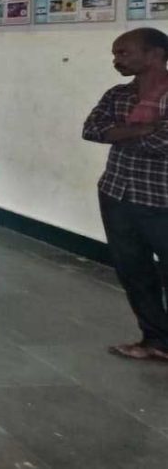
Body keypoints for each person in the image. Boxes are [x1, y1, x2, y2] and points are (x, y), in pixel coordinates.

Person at [82, 27, 168, 361]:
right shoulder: (118, 94)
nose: (117, 60)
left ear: (155, 54)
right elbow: (91, 129)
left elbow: (161, 143)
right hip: (117, 195)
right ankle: (156, 339)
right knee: (134, 271)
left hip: (161, 199)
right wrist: (143, 127)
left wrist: (120, 133)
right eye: (115, 54)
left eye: (124, 53)